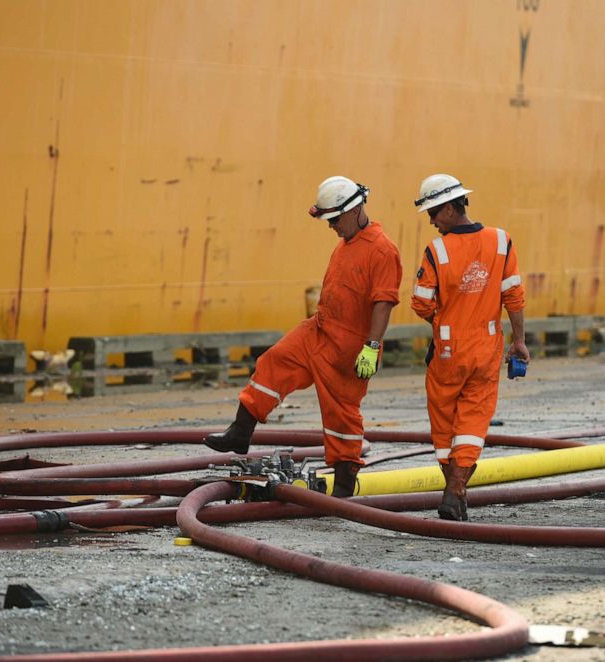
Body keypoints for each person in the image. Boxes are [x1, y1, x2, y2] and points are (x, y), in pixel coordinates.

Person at [204, 176, 402, 497]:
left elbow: (384, 302)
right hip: (319, 329)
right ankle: (240, 433)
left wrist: (372, 346)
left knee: (341, 417)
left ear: (355, 210)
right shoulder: (346, 244)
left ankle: (342, 491)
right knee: (274, 363)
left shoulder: (382, 250)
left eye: (335, 219)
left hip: (350, 348)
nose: (331, 226)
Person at [410, 174, 529, 521]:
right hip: (486, 345)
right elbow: (514, 296)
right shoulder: (501, 241)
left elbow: (420, 303)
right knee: (474, 419)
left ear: (450, 207)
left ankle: (454, 490)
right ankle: (456, 490)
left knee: (445, 423)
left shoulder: (437, 250)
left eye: (433, 212)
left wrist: (444, 319)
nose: (431, 221)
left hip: (447, 348)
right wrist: (519, 340)